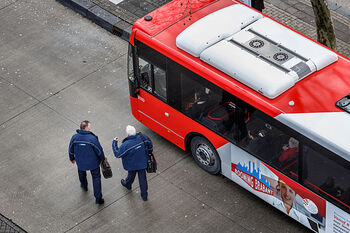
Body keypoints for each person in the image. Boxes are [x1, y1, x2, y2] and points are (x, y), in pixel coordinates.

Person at [69, 120, 105, 204]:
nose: (90, 127)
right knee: (96, 178)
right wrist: (102, 159)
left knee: (81, 173)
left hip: (80, 162)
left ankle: (84, 186)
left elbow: (71, 149)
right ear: (86, 128)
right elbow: (99, 150)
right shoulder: (92, 138)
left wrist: (72, 158)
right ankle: (98, 198)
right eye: (89, 126)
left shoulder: (74, 137)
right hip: (93, 163)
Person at [112, 125, 153, 201]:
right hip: (142, 163)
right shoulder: (143, 137)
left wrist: (114, 142)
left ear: (127, 134)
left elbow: (118, 154)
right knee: (142, 179)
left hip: (131, 165)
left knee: (131, 175)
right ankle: (144, 196)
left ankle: (128, 184)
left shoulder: (126, 145)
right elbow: (150, 146)